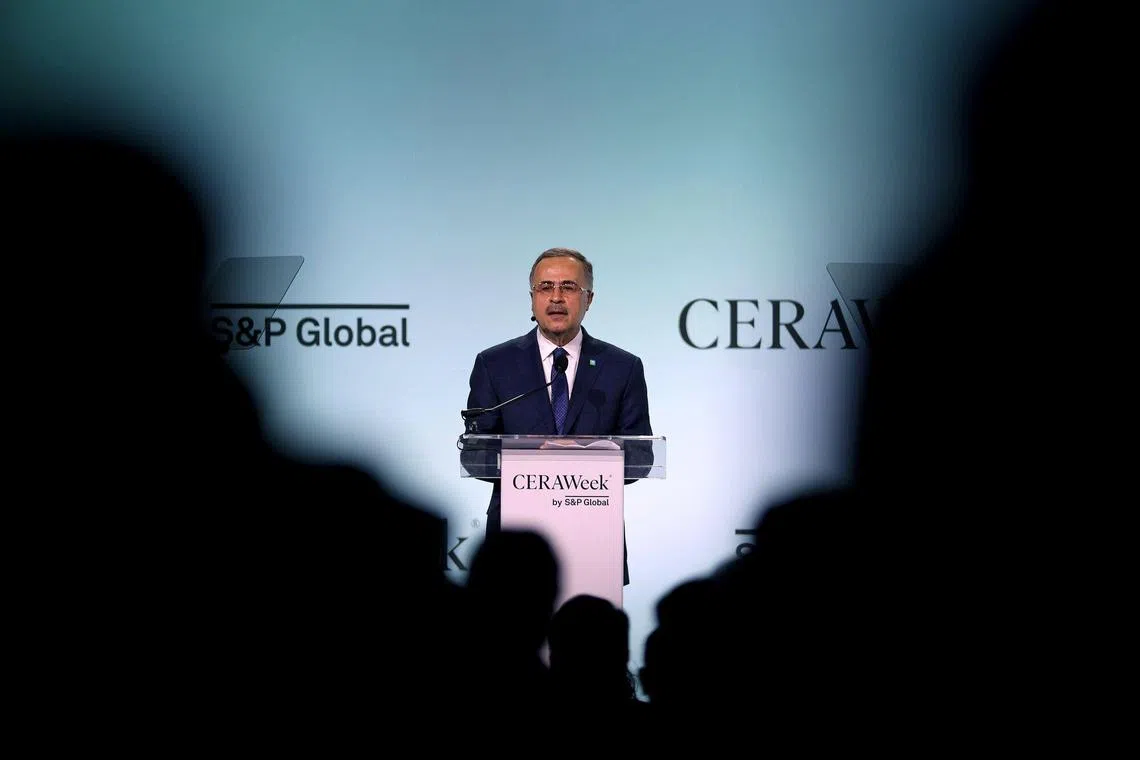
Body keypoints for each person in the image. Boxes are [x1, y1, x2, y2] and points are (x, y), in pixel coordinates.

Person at [462, 247, 654, 584]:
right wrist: (533, 459)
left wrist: (585, 457)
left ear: (588, 299)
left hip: (594, 538)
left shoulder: (622, 367)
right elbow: (476, 454)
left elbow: (641, 454)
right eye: (544, 287)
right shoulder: (495, 364)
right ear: (532, 297)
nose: (555, 297)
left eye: (568, 287)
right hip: (514, 545)